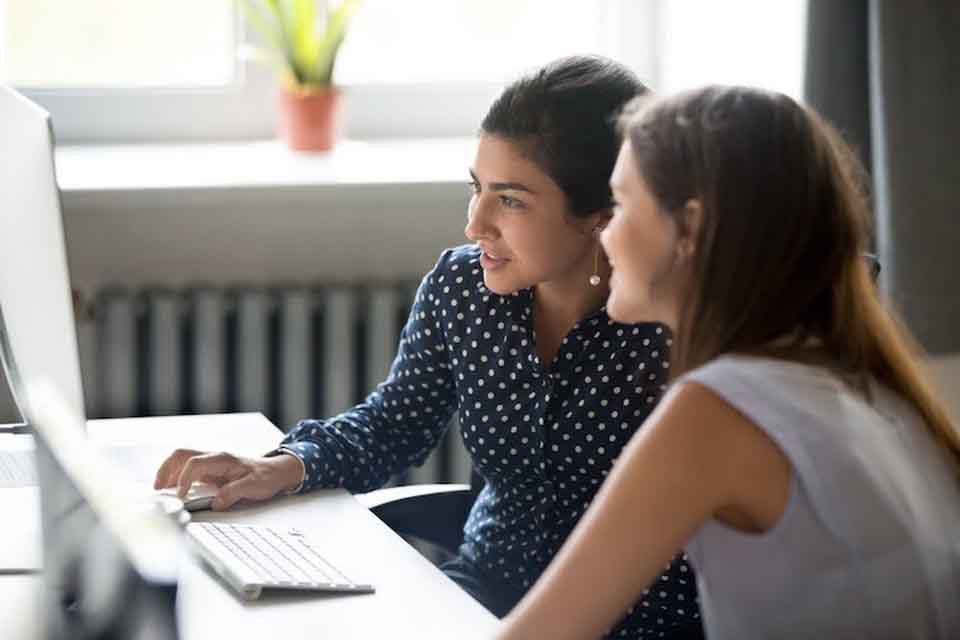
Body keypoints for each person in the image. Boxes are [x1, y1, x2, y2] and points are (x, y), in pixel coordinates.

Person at [154, 56, 705, 638]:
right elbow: (395, 423)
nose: (475, 224)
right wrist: (282, 467)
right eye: (477, 188)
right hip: (479, 596)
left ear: (601, 216)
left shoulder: (671, 325)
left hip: (640, 625)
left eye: (511, 200)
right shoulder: (463, 288)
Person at [497, 85, 960, 640]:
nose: (606, 232)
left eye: (620, 205)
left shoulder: (717, 412)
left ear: (689, 229)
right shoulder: (864, 387)